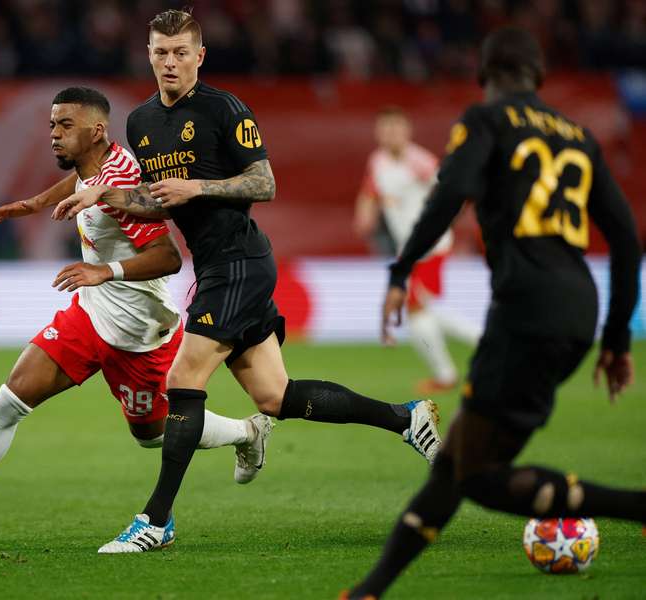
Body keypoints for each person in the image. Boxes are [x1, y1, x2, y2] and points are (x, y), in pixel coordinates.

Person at [52, 9, 442, 554]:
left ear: (199, 56)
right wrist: (106, 195)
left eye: (180, 52)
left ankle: (156, 521)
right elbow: (155, 205)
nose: (170, 62)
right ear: (149, 55)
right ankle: (406, 419)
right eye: (160, 52)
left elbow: (265, 182)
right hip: (214, 267)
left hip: (240, 261)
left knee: (182, 382)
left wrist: (199, 188)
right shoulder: (142, 123)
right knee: (275, 397)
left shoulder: (224, 108)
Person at [0, 87, 273, 544]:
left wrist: (104, 271)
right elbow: (80, 182)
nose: (53, 134)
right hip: (90, 317)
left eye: (64, 126)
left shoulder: (122, 183)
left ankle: (246, 431)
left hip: (141, 333)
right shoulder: (94, 163)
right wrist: (36, 203)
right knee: (10, 399)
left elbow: (168, 256)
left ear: (97, 131)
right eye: (52, 125)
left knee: (153, 435)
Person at [343, 27, 643, 599]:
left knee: (472, 474)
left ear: (485, 79)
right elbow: (627, 241)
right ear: (540, 78)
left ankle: (635, 506)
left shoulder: (486, 121)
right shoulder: (579, 136)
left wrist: (401, 271)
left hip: (525, 310)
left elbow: (449, 191)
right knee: (462, 461)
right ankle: (369, 590)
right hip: (580, 307)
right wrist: (617, 342)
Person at [354, 107, 480, 394]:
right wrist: (365, 215)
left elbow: (453, 191)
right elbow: (371, 191)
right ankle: (452, 368)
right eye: (386, 130)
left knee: (414, 305)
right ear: (378, 133)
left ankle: (470, 353)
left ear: (407, 132)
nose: (391, 135)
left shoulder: (420, 161)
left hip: (430, 245)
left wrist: (444, 223)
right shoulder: (378, 161)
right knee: (419, 308)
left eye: (396, 129)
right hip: (408, 248)